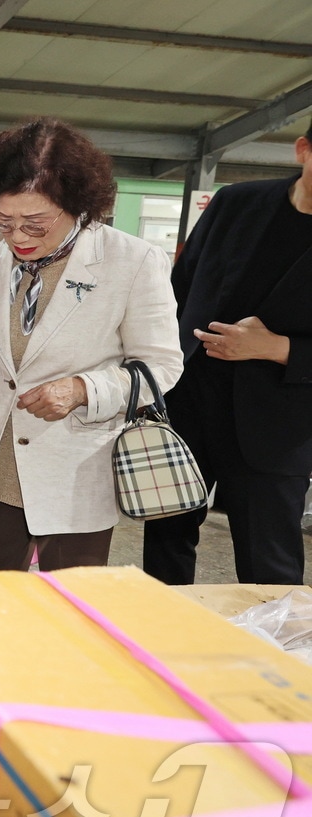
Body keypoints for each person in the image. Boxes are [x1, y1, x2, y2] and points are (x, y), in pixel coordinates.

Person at [0, 118, 183, 570]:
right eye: (3, 220)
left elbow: (161, 367)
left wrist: (83, 390)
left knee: (71, 615)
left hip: (76, 471)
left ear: (77, 206)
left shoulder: (133, 261)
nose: (18, 237)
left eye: (36, 223)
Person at [143, 123, 312, 585]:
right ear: (302, 150)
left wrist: (278, 348)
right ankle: (161, 647)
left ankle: (272, 656)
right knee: (165, 545)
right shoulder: (237, 203)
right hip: (189, 406)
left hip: (278, 426)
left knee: (269, 568)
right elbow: (175, 294)